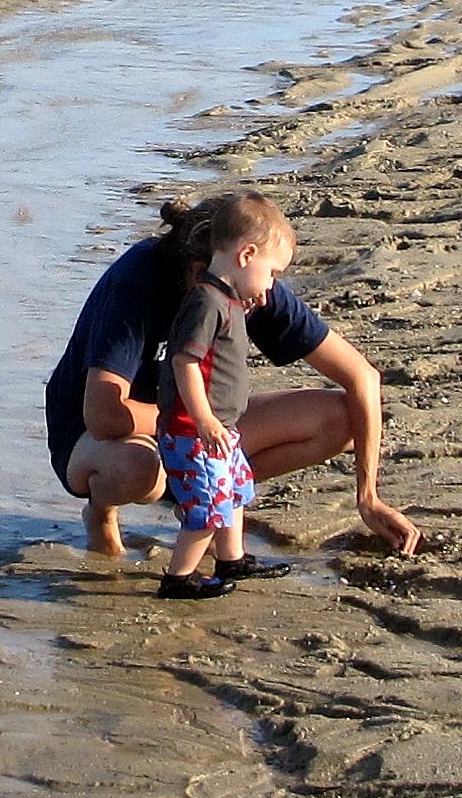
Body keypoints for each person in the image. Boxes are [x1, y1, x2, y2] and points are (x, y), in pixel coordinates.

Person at [46, 190, 424, 563]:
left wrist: (368, 497)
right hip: (94, 436)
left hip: (195, 426)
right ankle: (102, 512)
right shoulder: (142, 278)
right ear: (204, 269)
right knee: (139, 469)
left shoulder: (251, 282)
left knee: (341, 420)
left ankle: (205, 501)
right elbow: (104, 415)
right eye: (271, 275)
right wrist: (196, 418)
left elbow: (362, 377)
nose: (267, 294)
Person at [152, 200, 294, 598]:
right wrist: (203, 419)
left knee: (234, 490)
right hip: (194, 432)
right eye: (271, 273)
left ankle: (232, 558)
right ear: (246, 255)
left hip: (220, 428)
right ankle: (178, 578)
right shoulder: (206, 302)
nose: (270, 287)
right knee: (207, 505)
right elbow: (184, 362)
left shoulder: (227, 300)